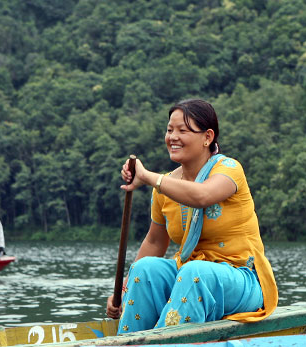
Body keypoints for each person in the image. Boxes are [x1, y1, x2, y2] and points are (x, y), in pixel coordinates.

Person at [105, 99, 278, 334]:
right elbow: (155, 242)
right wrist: (123, 290)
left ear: (207, 137)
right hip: (188, 273)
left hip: (241, 279)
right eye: (169, 130)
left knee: (195, 271)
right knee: (145, 269)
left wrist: (148, 177)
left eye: (182, 130)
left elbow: (203, 195)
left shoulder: (229, 170)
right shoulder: (166, 186)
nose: (172, 137)